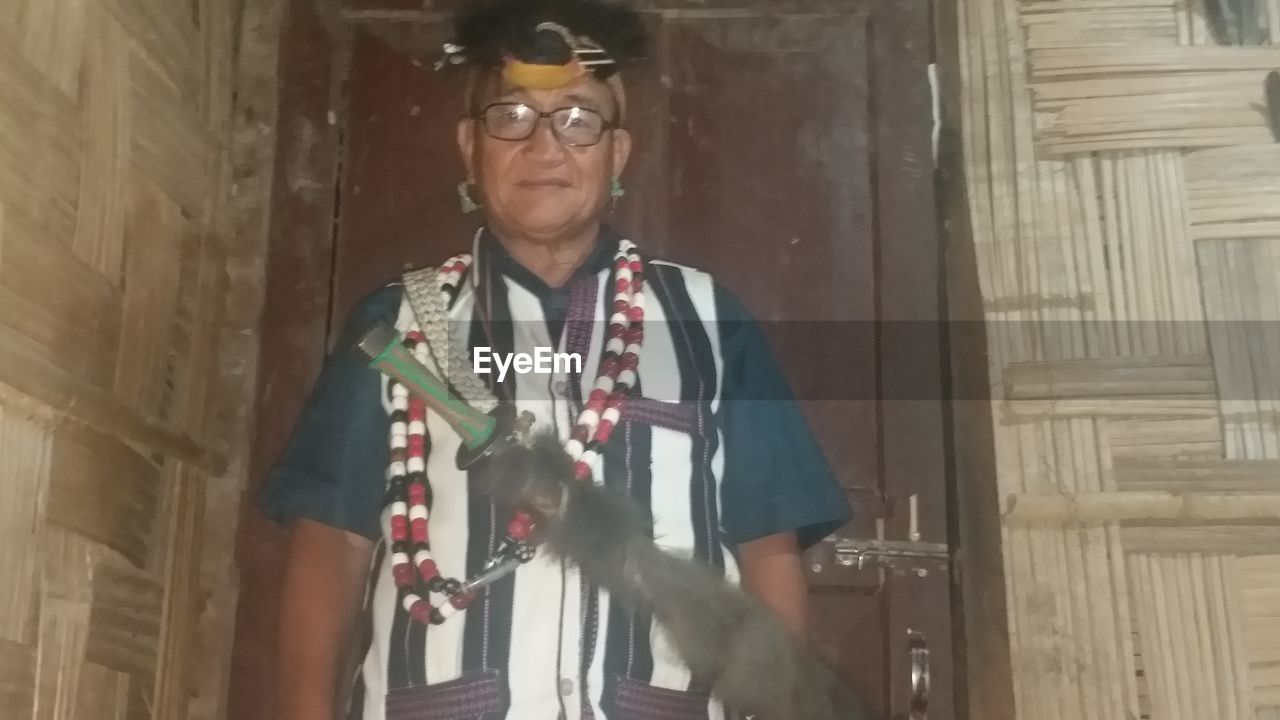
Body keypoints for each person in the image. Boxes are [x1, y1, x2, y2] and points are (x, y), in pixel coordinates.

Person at [260, 1, 851, 718]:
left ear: (618, 154)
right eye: (511, 116)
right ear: (468, 146)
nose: (545, 148)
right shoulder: (397, 327)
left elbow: (766, 544)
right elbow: (333, 544)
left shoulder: (709, 322)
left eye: (578, 120)